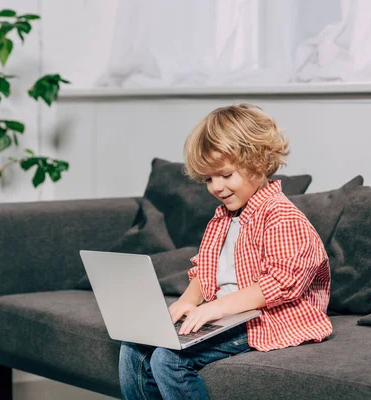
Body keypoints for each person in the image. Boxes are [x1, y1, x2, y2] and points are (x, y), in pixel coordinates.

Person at [119, 103, 332, 400]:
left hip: (268, 318)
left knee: (170, 360)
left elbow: (282, 282)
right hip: (228, 314)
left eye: (226, 175)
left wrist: (215, 307)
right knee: (134, 350)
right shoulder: (223, 218)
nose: (216, 187)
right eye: (208, 179)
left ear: (259, 161)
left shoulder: (282, 216)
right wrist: (188, 301)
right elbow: (205, 268)